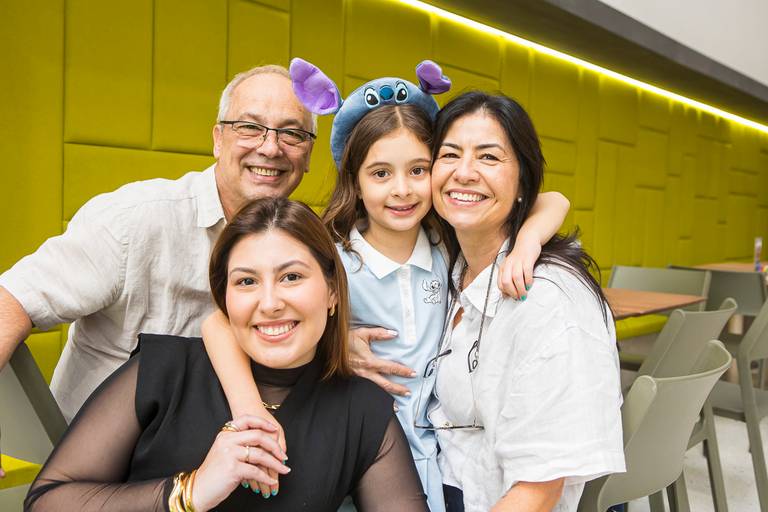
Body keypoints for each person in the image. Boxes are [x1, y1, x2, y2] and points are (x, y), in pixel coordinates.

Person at [201, 63, 570, 508]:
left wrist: (527, 242)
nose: (402, 190)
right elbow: (219, 324)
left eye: (418, 170)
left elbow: (552, 200)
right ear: (355, 181)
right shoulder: (332, 255)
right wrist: (256, 409)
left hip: (435, 458)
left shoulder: (448, 245)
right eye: (380, 174)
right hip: (351, 452)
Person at [24, 197, 429, 512]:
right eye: (247, 281)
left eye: (291, 277)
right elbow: (46, 501)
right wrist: (190, 491)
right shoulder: (165, 371)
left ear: (333, 292)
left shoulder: (362, 411)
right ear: (224, 299)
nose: (269, 303)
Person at [0, 64, 317, 425]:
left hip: (214, 450)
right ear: (218, 139)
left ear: (308, 154)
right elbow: (12, 300)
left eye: (292, 134)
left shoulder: (302, 246)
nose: (271, 148)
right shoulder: (135, 220)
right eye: (249, 127)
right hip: (95, 452)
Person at [424, 91, 625, 512]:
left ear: (522, 184)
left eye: (489, 157)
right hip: (439, 472)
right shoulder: (447, 261)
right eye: (450, 154)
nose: (464, 172)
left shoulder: (549, 301)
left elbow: (538, 492)